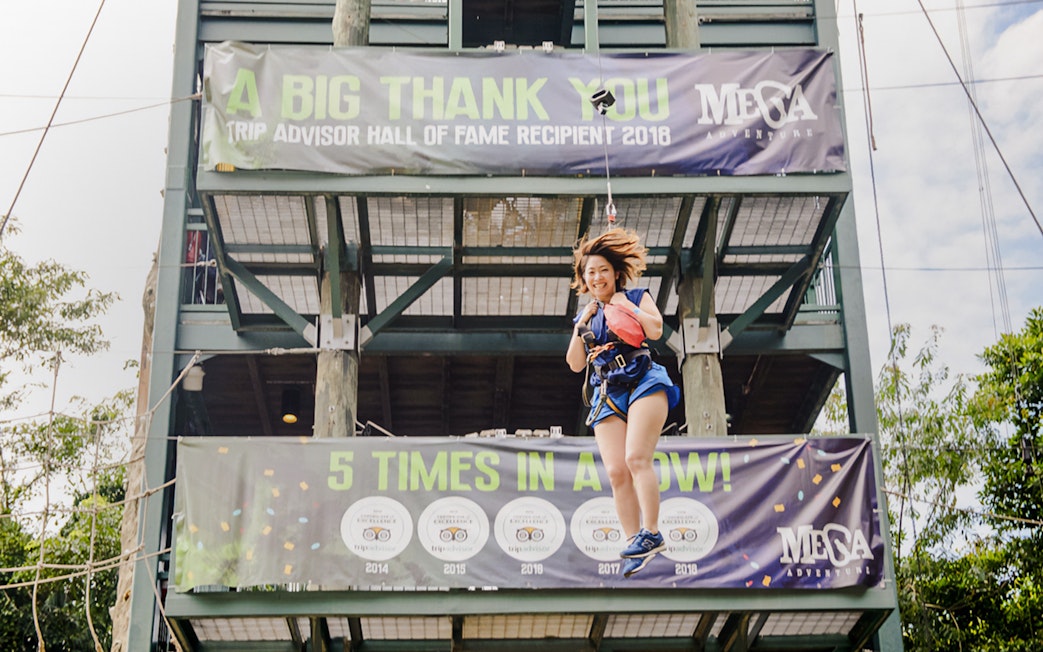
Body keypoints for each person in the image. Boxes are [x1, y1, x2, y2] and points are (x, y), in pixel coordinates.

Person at [566, 227, 681, 578]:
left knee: (636, 458)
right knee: (617, 472)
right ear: (584, 280)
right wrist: (579, 327)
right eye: (591, 272)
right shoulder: (585, 318)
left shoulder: (635, 296)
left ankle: (652, 532)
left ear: (615, 272)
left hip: (644, 379)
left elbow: (656, 330)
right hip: (606, 391)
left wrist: (623, 306)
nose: (597, 276)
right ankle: (636, 542)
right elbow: (574, 364)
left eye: (603, 269)